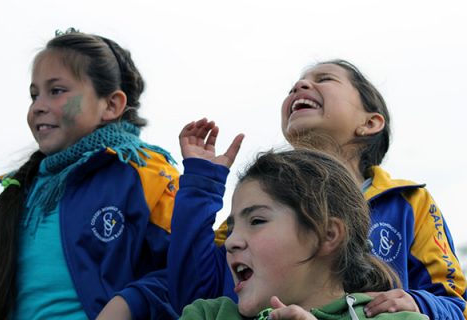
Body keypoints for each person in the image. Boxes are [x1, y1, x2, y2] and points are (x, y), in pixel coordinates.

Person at [169, 59, 467, 319]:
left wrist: (420, 304)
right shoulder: (249, 215)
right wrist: (200, 184)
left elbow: (456, 305)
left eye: (324, 79)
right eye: (294, 87)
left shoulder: (409, 202)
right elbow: (192, 293)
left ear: (371, 122)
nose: (299, 85)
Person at [0, 29, 179, 320]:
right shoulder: (20, 190)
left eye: (57, 91)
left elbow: (189, 269)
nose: (38, 106)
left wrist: (130, 303)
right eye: (34, 94)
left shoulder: (145, 173)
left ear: (111, 105)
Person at [172, 123, 426, 319]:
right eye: (233, 228)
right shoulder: (209, 314)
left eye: (257, 221)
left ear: (328, 235)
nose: (231, 242)